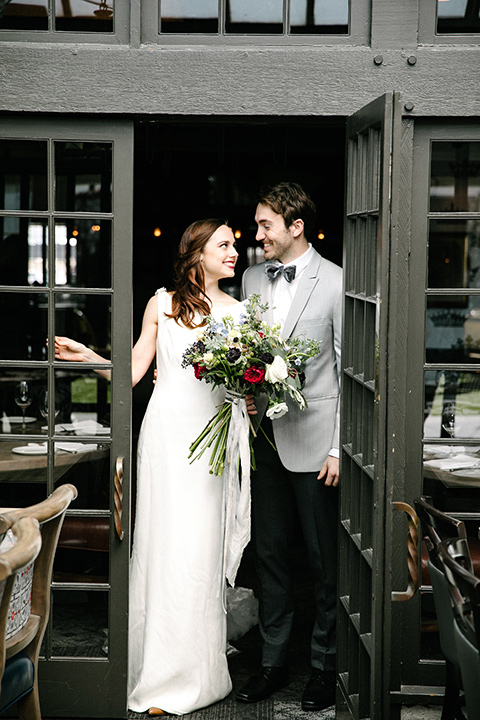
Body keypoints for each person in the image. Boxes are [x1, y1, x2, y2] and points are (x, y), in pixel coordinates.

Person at [54, 219, 247, 716]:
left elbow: (246, 386)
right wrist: (86, 356)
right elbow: (135, 371)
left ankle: (197, 675)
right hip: (164, 438)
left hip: (211, 444)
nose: (234, 251)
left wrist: (255, 378)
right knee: (162, 545)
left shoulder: (242, 312)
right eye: (223, 244)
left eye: (235, 244)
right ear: (197, 253)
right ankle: (157, 671)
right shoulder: (161, 303)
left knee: (198, 551)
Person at [237, 182, 342, 712]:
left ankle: (325, 667)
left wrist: (340, 449)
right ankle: (273, 662)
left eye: (265, 226)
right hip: (263, 442)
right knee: (271, 555)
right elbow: (243, 353)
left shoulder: (338, 282)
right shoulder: (253, 277)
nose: (257, 236)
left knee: (324, 562)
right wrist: (248, 394)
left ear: (295, 226)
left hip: (318, 443)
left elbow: (352, 374)